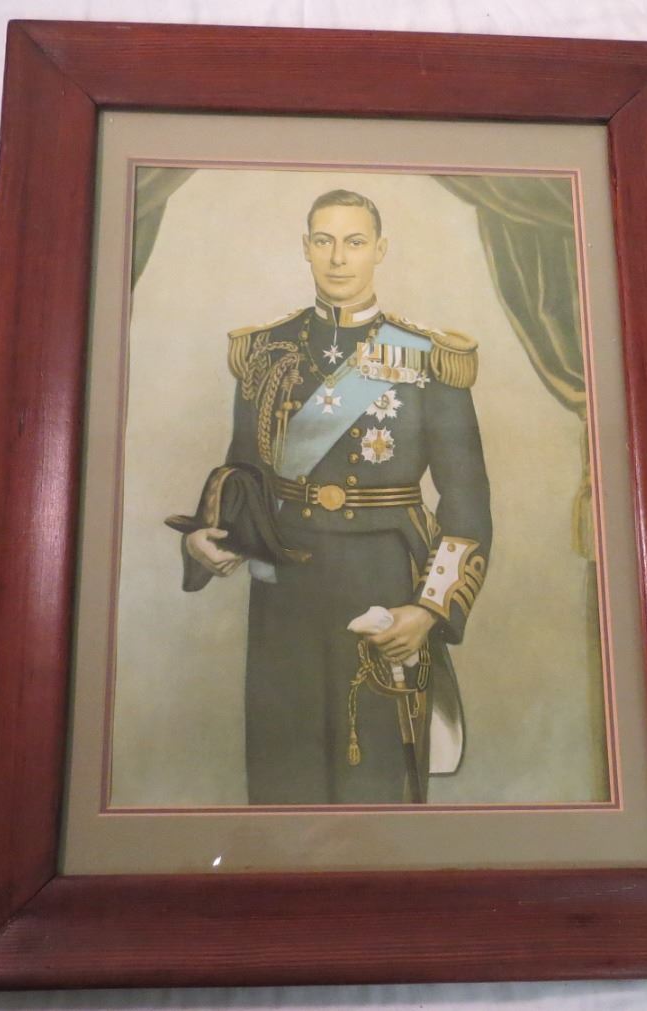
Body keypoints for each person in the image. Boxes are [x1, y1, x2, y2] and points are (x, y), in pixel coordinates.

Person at [179, 189, 492, 805]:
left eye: (354, 242)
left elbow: (467, 502)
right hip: (285, 592)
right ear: (306, 248)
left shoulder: (427, 358)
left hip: (384, 585)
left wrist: (429, 610)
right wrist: (204, 538)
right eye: (324, 241)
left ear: (380, 249)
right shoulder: (266, 351)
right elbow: (243, 475)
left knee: (376, 777)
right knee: (283, 774)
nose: (338, 258)